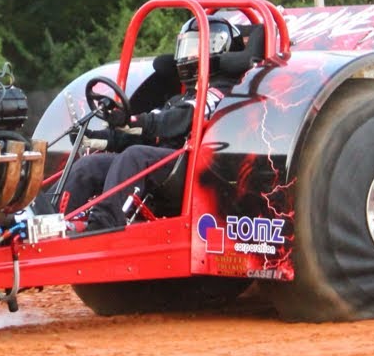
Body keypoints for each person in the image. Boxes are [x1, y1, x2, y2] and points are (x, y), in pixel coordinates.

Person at [57, 15, 246, 231]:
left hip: (193, 167)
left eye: (196, 48)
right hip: (161, 160)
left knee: (134, 156)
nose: (187, 56)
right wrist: (99, 139)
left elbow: (179, 119)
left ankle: (102, 226)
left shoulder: (221, 92)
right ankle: (52, 221)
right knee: (88, 166)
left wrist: (134, 120)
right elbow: (150, 125)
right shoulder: (181, 97)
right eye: (186, 47)